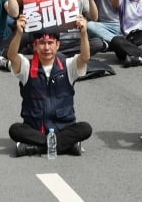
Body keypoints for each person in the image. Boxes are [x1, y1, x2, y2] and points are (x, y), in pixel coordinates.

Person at [6, 18, 93, 157]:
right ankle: (66, 145)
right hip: (35, 129)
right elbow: (11, 55)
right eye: (42, 43)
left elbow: (85, 57)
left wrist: (83, 32)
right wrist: (19, 32)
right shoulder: (26, 67)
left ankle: (36, 148)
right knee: (15, 130)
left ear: (58, 45)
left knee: (85, 128)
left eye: (50, 43)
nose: (46, 48)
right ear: (35, 46)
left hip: (63, 128)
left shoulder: (68, 65)